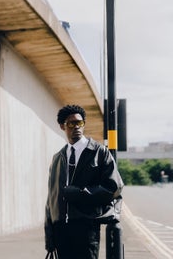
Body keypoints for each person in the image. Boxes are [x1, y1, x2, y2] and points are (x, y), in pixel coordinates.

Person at [44, 104, 123, 259]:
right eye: (71, 123)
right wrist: (49, 234)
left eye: (80, 123)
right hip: (61, 230)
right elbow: (51, 199)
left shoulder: (99, 152)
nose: (77, 127)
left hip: (86, 227)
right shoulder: (57, 158)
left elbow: (114, 187)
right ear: (62, 126)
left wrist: (81, 194)